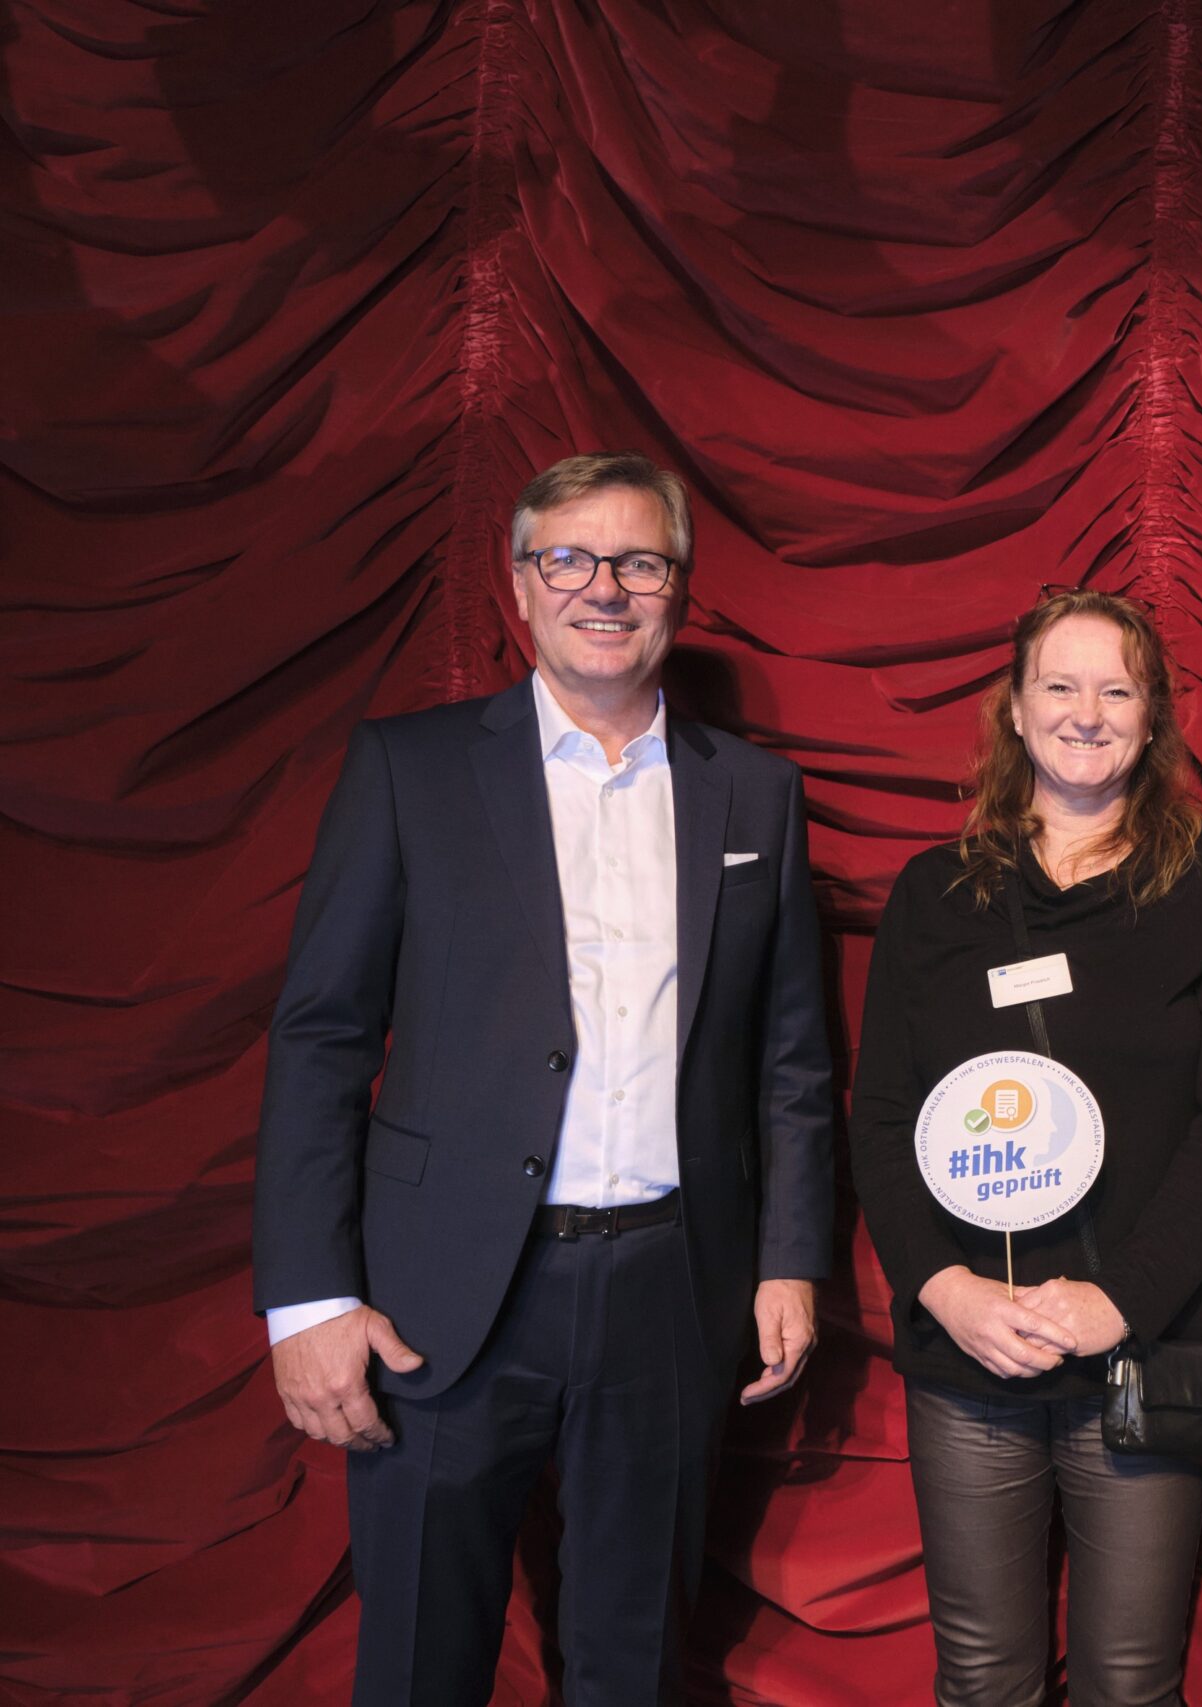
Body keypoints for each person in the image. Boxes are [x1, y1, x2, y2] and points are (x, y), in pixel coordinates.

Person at [251, 452, 834, 1704]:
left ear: (680, 589)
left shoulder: (756, 795)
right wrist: (307, 1301)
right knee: (420, 1664)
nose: (602, 589)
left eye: (638, 562)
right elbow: (321, 1039)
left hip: (670, 1292)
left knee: (633, 1666)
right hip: (440, 1299)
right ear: (519, 585)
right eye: (568, 558)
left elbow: (789, 1060)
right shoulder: (409, 771)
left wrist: (789, 1260)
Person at [848, 588, 1202, 1707]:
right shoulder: (936, 893)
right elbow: (880, 1117)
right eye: (1060, 685)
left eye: (1116, 690)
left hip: (1135, 1352)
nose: (1086, 713)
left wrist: (1119, 1300)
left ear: (1152, 715)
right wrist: (945, 1291)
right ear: (1014, 706)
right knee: (981, 1680)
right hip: (971, 1357)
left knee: (1128, 1686)